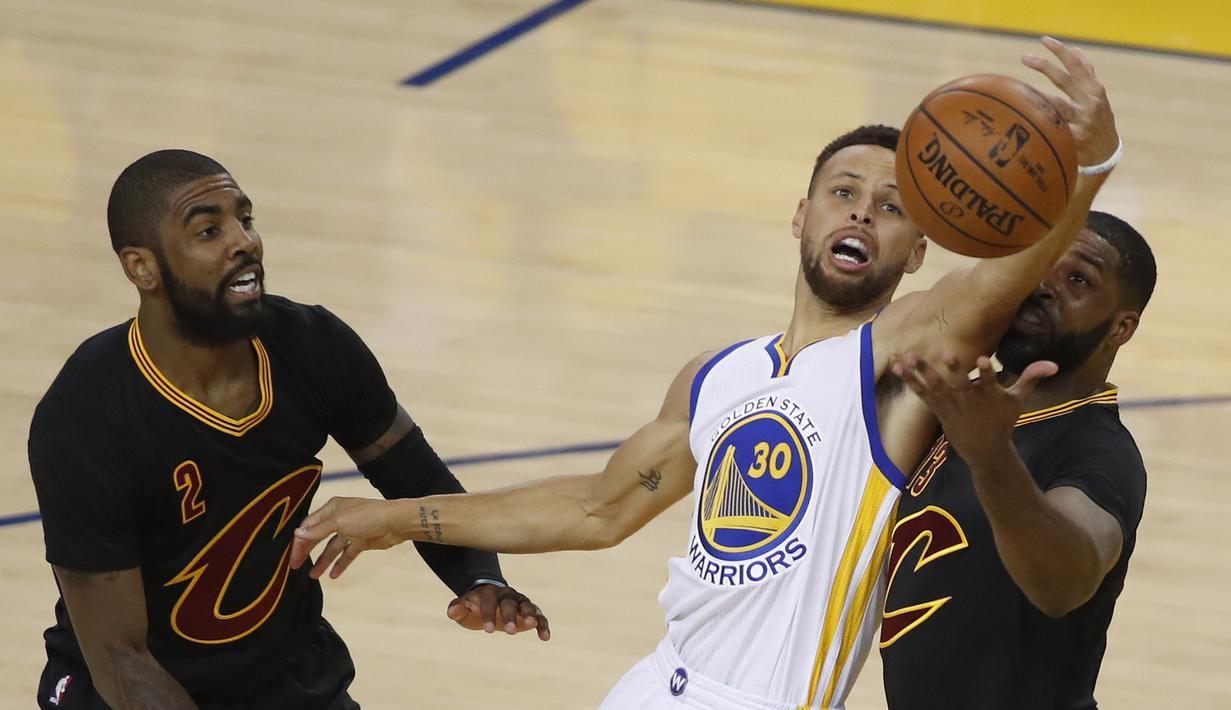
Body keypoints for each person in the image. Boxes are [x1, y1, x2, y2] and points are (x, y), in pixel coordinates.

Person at [291, 37, 1118, 709]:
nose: (863, 209)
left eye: (893, 205)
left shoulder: (897, 360)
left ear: (918, 249)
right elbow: (597, 507)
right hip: (654, 682)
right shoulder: (717, 374)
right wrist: (399, 516)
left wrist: (1085, 168)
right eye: (841, 191)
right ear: (801, 216)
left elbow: (996, 282)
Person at [27, 150, 549, 710]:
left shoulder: (312, 345)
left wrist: (478, 578)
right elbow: (121, 659)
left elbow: (413, 476)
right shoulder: (86, 419)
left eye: (244, 220)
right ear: (142, 268)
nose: (243, 241)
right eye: (208, 230)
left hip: (286, 677)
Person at [880, 211, 1155, 709]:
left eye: (1078, 278)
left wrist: (990, 457)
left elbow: (1064, 582)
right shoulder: (955, 403)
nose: (1045, 284)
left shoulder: (1100, 449)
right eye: (1043, 261)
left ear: (1121, 328)